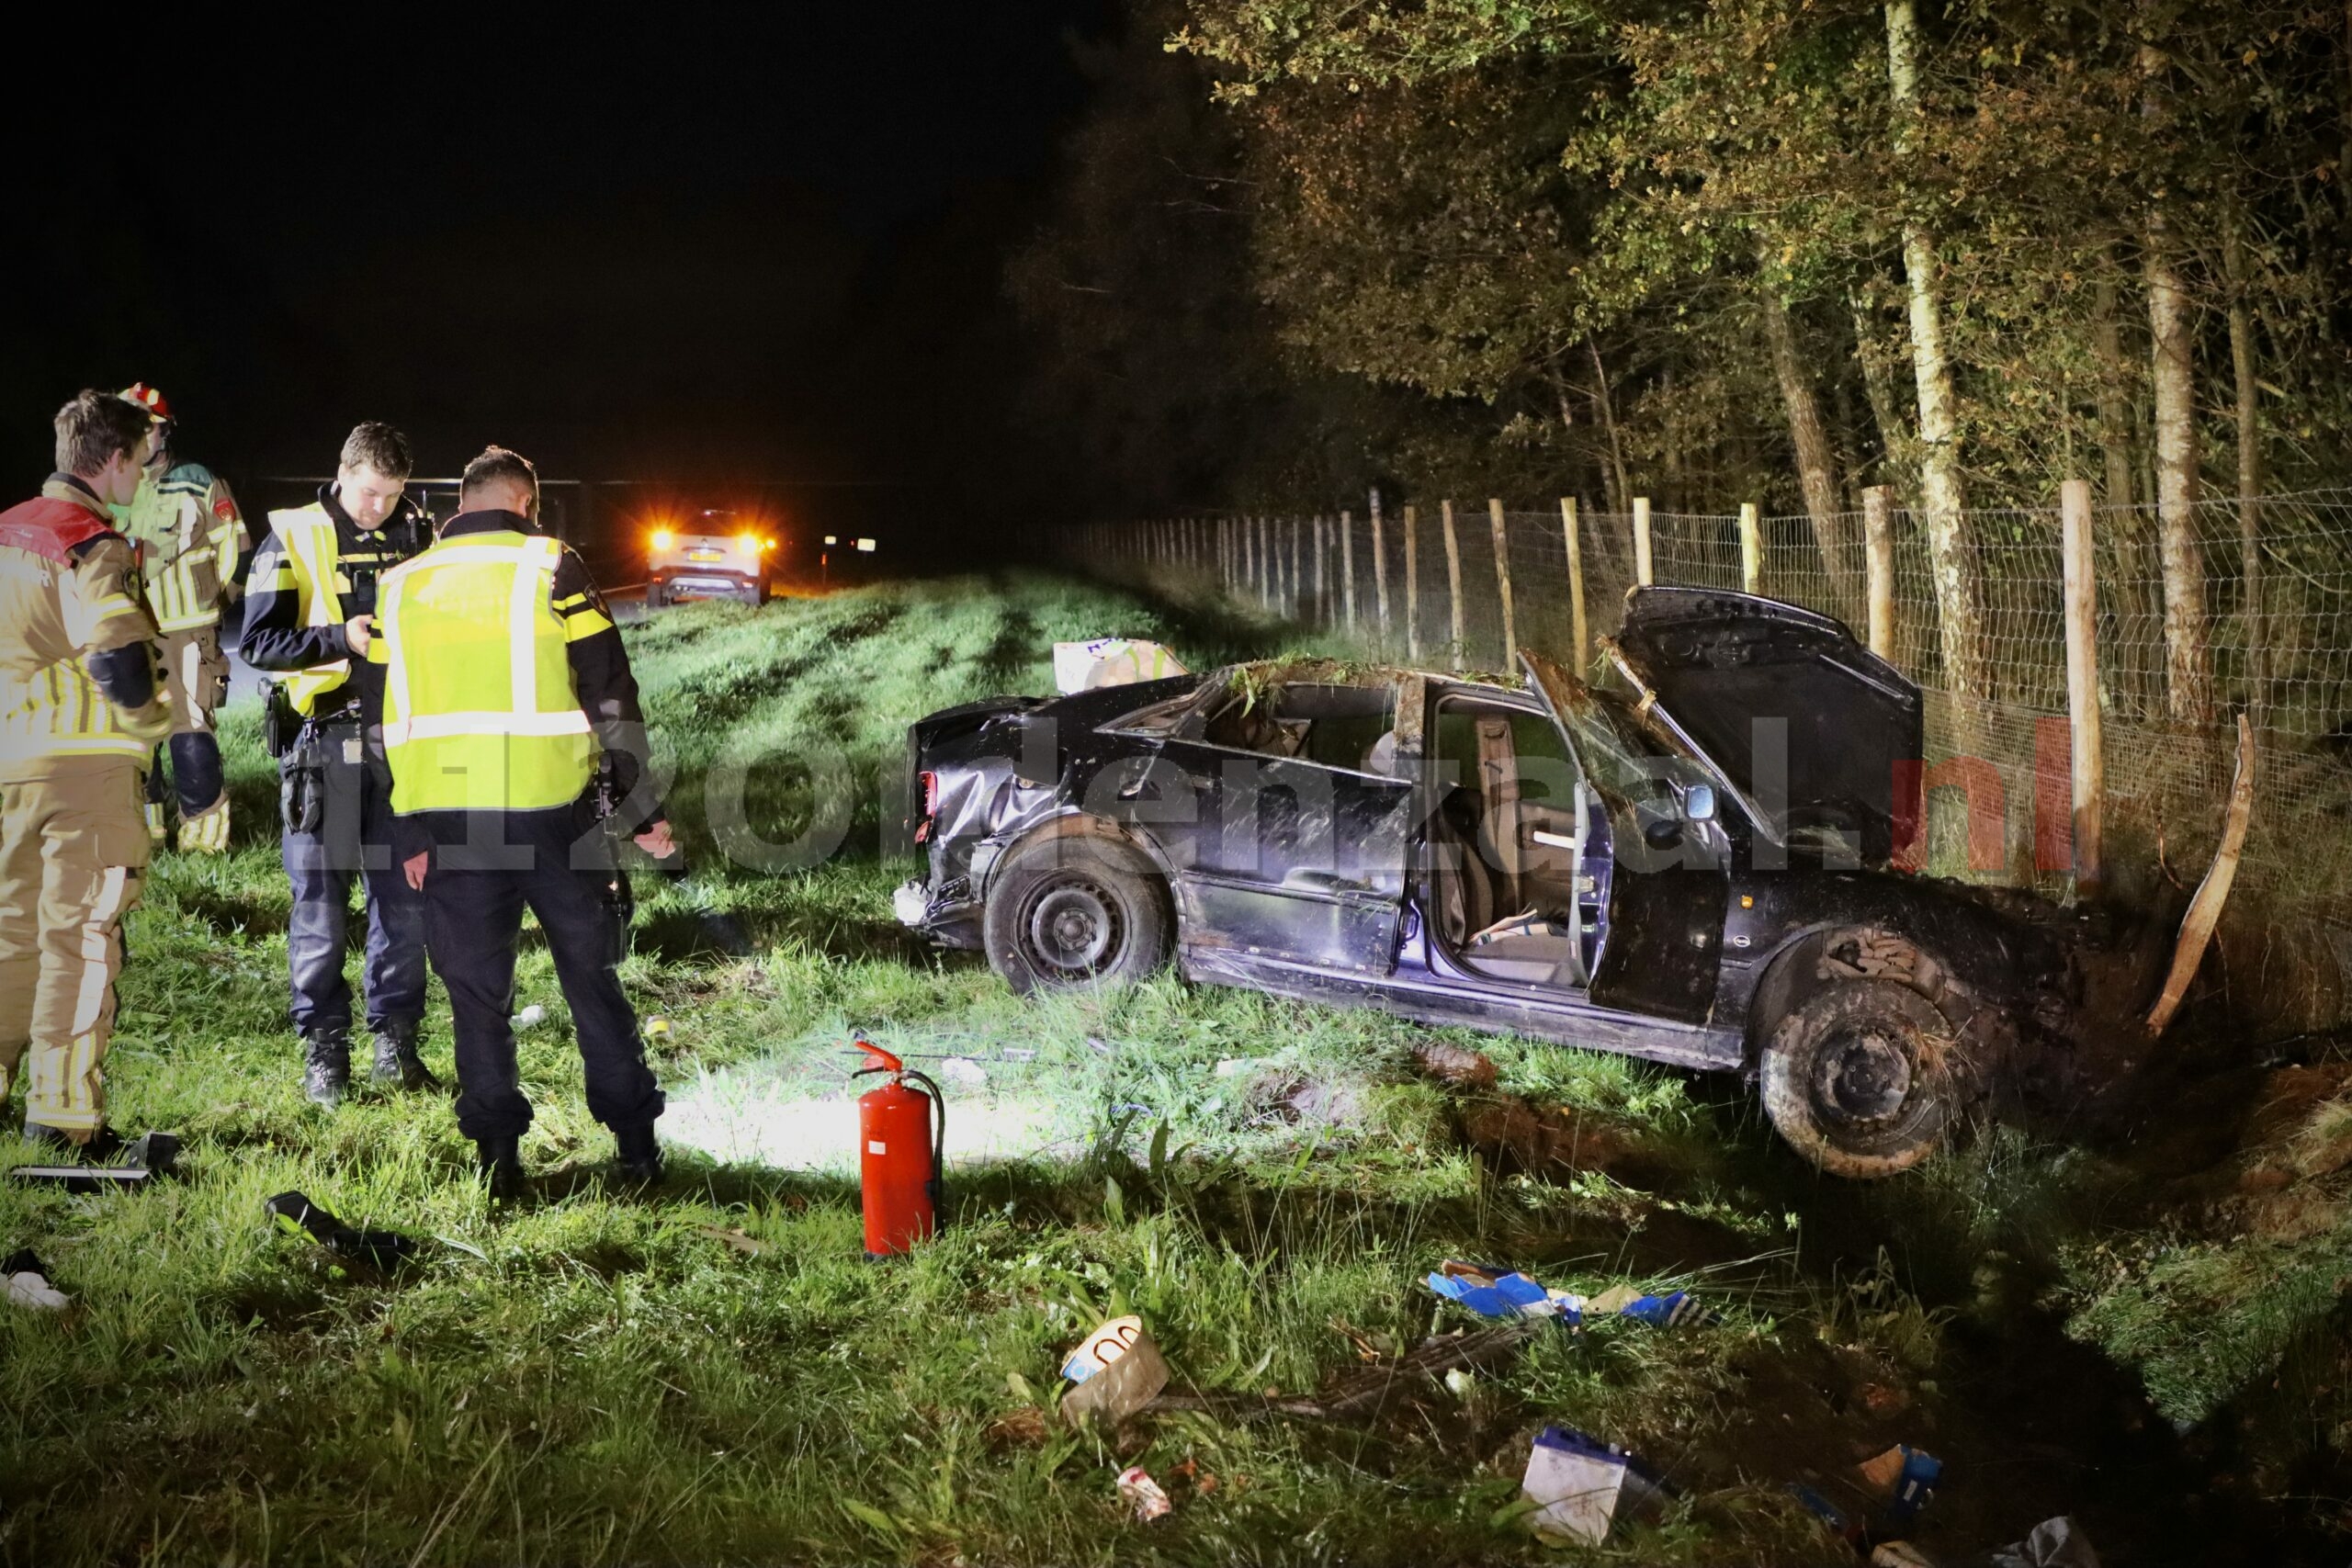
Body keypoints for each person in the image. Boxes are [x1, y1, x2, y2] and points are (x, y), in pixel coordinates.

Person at [375, 446, 672, 1197]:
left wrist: (406, 830)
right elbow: (609, 688)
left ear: (462, 503)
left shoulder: (401, 584)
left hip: (446, 818)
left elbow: (382, 717)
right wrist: (639, 809)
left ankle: (498, 1161)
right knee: (590, 976)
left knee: (476, 994)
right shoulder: (550, 563)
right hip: (554, 814)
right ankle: (636, 1147)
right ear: (525, 503)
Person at [238, 423, 434, 1106]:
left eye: (392, 494)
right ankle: (325, 1050)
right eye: (370, 492)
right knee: (320, 903)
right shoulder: (292, 535)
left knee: (405, 901)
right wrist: (336, 638)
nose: (378, 507)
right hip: (323, 741)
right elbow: (258, 642)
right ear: (343, 471)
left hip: (400, 745)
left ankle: (396, 1043)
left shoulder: (418, 531)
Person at [0, 391, 173, 1153]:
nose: (143, 475)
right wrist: (156, 724)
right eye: (139, 460)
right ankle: (64, 1119)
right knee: (81, 939)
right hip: (86, 772)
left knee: (12, 938)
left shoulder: (8, 532)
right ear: (112, 461)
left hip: (12, 766)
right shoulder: (91, 541)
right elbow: (114, 655)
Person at [111, 382, 249, 853]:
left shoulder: (198, 480)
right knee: (132, 731)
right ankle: (146, 832)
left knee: (189, 729)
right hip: (124, 629)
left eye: (145, 428)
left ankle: (203, 837)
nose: (136, 437)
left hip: (186, 629)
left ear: (164, 432)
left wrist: (209, 607)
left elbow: (236, 549)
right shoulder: (110, 486)